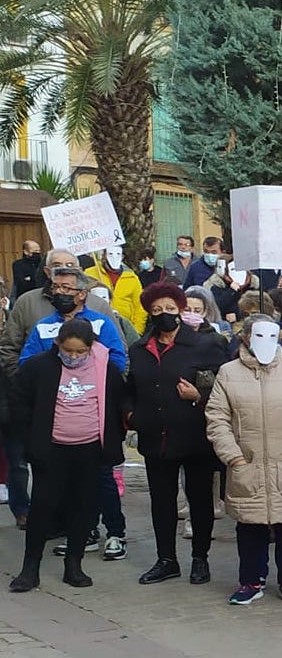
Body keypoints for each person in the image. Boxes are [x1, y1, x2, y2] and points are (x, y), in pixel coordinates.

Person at [205, 315, 282, 605]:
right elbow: (217, 418)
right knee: (249, 525)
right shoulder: (228, 373)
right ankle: (251, 580)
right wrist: (234, 457)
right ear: (245, 337)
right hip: (247, 465)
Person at [7, 318, 128, 592]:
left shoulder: (105, 369)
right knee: (42, 507)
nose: (73, 357)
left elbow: (118, 402)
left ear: (91, 347)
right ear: (57, 344)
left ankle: (74, 564)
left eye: (80, 352)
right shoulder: (38, 367)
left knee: (82, 507)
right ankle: (30, 568)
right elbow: (18, 404)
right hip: (51, 450)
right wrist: (30, 441)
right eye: (68, 350)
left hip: (89, 450)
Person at [127, 281, 227, 587]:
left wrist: (199, 395)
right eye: (157, 309)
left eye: (170, 308)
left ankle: (200, 558)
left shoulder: (204, 345)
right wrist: (130, 415)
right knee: (162, 501)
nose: (164, 314)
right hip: (155, 437)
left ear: (180, 310)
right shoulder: (139, 349)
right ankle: (166, 559)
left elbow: (225, 386)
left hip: (194, 436)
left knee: (199, 499)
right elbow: (129, 389)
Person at [88, 246, 145, 338]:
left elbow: (140, 307)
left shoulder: (132, 278)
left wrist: (136, 330)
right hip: (96, 328)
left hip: (125, 330)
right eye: (110, 254)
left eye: (118, 254)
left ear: (122, 257)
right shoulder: (89, 274)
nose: (114, 257)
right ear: (104, 255)